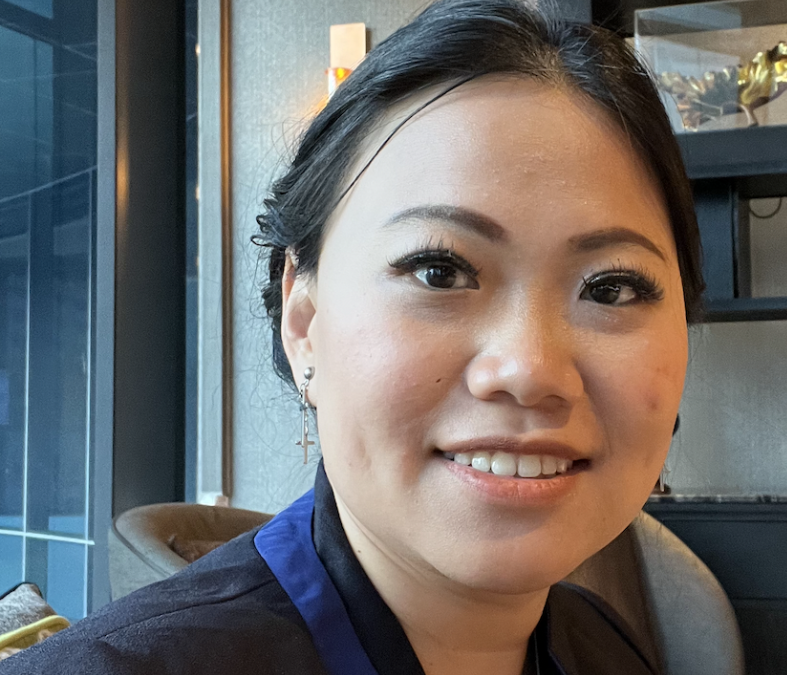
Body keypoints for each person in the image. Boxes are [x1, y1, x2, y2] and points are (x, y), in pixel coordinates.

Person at [4, 0, 704, 672]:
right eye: (440, 270)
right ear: (303, 319)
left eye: (612, 287)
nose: (529, 369)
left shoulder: (608, 647)